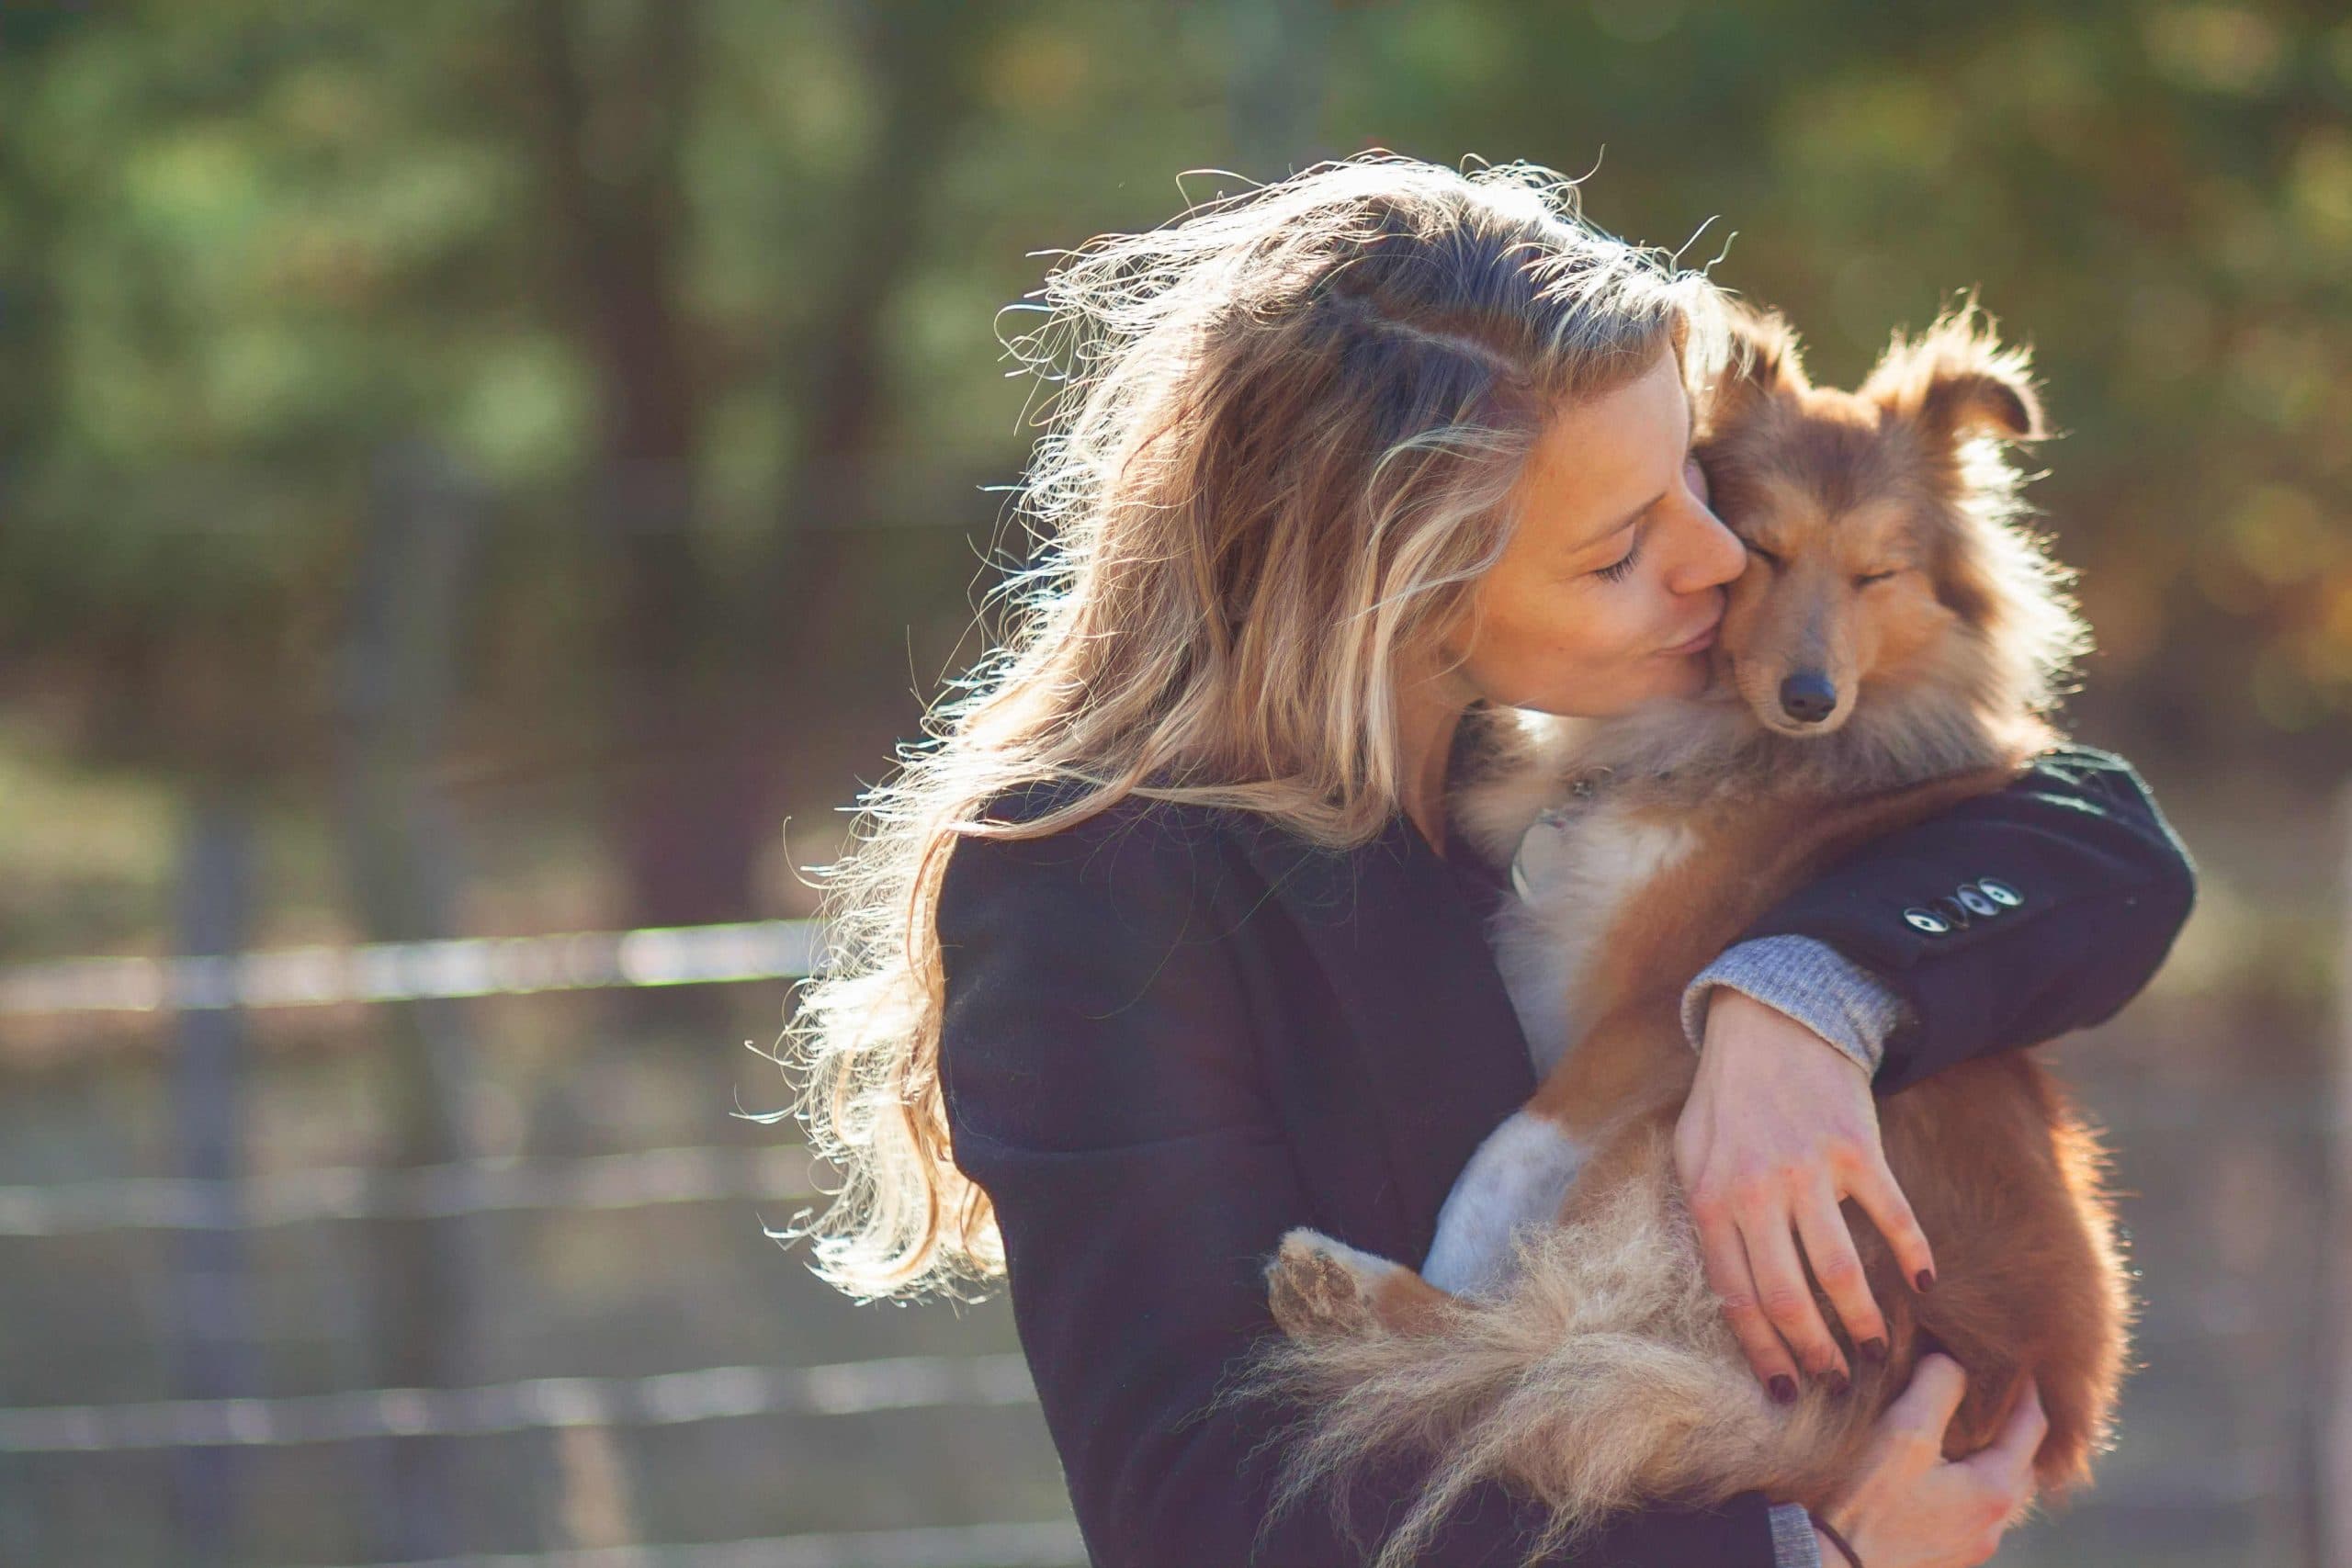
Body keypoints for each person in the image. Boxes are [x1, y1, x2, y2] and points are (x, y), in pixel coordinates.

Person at [784, 154, 2196, 1568]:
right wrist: (1800, 1554)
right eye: (1622, 544)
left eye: (1689, 489)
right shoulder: (1092, 889)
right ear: (1402, 578)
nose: (1716, 567)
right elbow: (1202, 1516)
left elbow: (2102, 838)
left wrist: (1798, 1002)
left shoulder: (1545, 757)